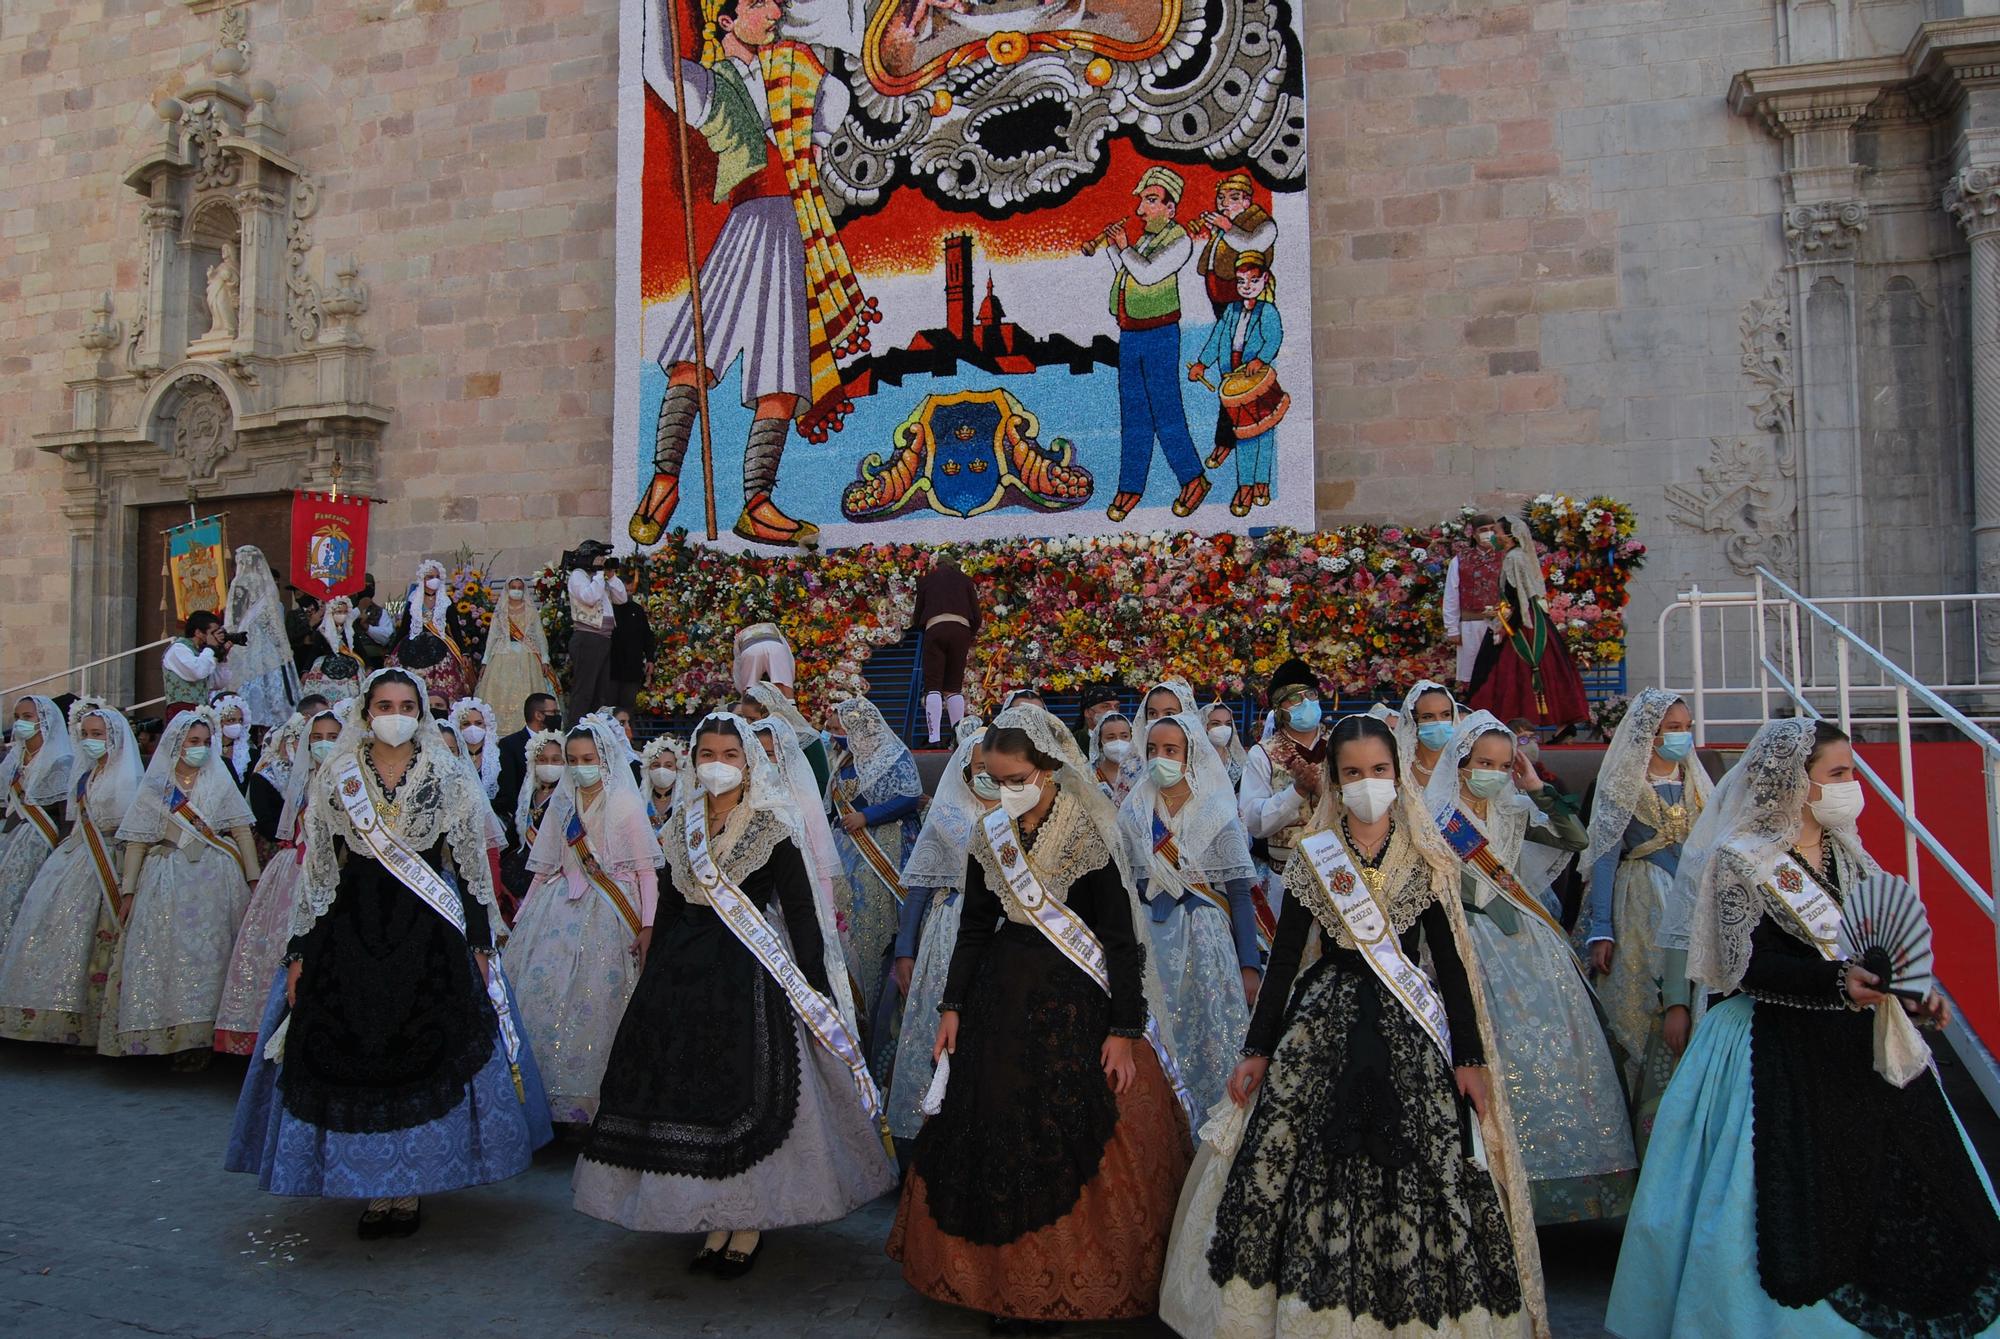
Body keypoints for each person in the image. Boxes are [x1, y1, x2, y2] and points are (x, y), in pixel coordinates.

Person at [1607, 718, 2000, 1339]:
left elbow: (1874, 946)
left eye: (1851, 773)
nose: (1851, 786)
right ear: (1796, 783)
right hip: (1774, 1041)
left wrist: (1911, 994)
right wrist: (1836, 984)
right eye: (1837, 775)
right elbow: (1743, 969)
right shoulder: (1740, 859)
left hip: (1864, 1044)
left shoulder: (1848, 851)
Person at [1158, 713, 1544, 1339]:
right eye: (1353, 774)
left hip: (1409, 1032)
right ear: (1335, 782)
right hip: (1321, 1027)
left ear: (1398, 773)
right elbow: (1284, 959)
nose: (1369, 783)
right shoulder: (1315, 857)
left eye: (1380, 770)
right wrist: (1257, 1048)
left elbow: (1448, 967)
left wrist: (1468, 1058)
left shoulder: (1429, 857)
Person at [887, 706, 1193, 1327]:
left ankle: (1062, 1281)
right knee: (992, 1128)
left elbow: (1117, 940)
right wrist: (951, 1007)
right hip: (1001, 993)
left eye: (1016, 777)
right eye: (995, 781)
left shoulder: (1088, 832)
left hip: (1077, 1002)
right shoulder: (989, 834)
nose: (1005, 791)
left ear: (1049, 769)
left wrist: (1124, 1031)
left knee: (1069, 1130)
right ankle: (998, 1282)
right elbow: (973, 929)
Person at [225, 669, 553, 1237]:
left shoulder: (447, 775)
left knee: (426, 1046)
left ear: (420, 711)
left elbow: (471, 866)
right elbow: (320, 872)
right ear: (366, 711)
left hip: (428, 928)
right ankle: (373, 1186)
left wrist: (479, 942)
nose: (394, 713)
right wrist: (300, 950)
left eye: (405, 704)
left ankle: (411, 1187)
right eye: (384, 704)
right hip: (353, 924)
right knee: (357, 1047)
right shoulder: (337, 775)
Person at [573, 713, 896, 1272]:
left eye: (730, 754)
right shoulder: (680, 827)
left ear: (748, 763)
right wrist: (654, 978)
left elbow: (799, 914)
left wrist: (814, 986)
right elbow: (672, 905)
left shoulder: (771, 827)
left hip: (749, 972)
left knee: (747, 1091)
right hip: (683, 973)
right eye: (708, 755)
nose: (718, 765)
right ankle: (708, 1214)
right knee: (687, 1094)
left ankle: (746, 1222)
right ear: (695, 762)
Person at [631, 0, 879, 549]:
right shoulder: (712, 85)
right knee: (694, 355)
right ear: (726, 18)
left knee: (783, 377)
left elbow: (833, 101)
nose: (774, 12)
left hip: (793, 228)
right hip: (747, 224)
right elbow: (659, 71)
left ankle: (758, 502)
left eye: (777, 5)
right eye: (760, 3)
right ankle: (665, 481)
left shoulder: (799, 71)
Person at [1424, 710, 1635, 1223]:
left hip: (1525, 946)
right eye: (1483, 763)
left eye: (1501, 763)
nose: (1492, 772)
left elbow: (1575, 839)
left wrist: (1536, 785)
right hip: (1464, 941)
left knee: (1553, 1052)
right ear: (1461, 763)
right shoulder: (1434, 817)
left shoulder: (1515, 810)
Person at [508, 714, 661, 1124]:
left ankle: (596, 1105)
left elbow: (647, 871)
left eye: (587, 758)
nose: (579, 767)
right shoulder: (563, 802)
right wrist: (521, 919)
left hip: (612, 910)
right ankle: (543, 1104)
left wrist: (648, 925)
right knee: (544, 994)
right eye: (573, 760)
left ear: (605, 758)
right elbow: (543, 870)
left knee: (599, 1001)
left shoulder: (625, 803)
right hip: (558, 907)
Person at [1581, 689, 1709, 1155]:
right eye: (1671, 728)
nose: (1681, 736)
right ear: (1648, 734)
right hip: (1639, 901)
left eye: (1685, 727)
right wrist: (1601, 927)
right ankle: (1641, 1132)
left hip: (1691, 903)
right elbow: (1602, 856)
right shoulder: (1621, 784)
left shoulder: (1696, 782)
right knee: (1638, 1010)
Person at [1119, 711, 1262, 1118]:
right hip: (1148, 939)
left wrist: (1248, 965)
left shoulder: (1216, 810)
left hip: (1205, 938)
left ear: (1190, 755)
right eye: (1152, 749)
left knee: (1209, 1039)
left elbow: (1238, 894)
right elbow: (1125, 884)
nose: (1159, 758)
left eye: (1170, 750)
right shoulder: (1133, 810)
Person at [99, 706, 259, 1063]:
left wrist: (253, 880)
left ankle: (206, 1040)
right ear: (177, 743)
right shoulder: (156, 786)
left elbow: (241, 831)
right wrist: (128, 891)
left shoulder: (219, 779)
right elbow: (138, 841)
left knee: (215, 955)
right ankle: (167, 1036)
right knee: (166, 954)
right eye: (192, 741)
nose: (199, 748)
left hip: (217, 878)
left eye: (204, 741)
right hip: (166, 875)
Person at [0, 699, 141, 1046]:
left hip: (112, 858)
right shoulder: (83, 775)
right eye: (87, 734)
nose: (91, 740)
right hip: (77, 856)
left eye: (98, 734)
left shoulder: (130, 777)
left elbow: (133, 828)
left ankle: (92, 1025)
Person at [886, 728, 993, 1146]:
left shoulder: (1020, 816)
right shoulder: (946, 815)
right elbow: (919, 888)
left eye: (993, 768)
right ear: (965, 771)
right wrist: (904, 950)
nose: (986, 775)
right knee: (938, 1025)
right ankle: (927, 1135)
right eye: (978, 768)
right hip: (947, 931)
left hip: (1000, 934)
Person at [215, 711, 337, 1057]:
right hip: (293, 872)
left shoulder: (352, 780)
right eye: (317, 736)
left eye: (332, 735)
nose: (323, 743)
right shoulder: (298, 781)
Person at [1096, 165, 1210, 523]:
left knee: (1166, 410)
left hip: (1160, 334)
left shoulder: (1179, 241)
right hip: (1130, 334)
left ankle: (1193, 479)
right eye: (1142, 202)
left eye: (1151, 201)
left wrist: (1125, 246)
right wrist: (1116, 249)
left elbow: (1146, 274)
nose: (1141, 210)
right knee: (1133, 414)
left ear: (1171, 208)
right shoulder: (1144, 240)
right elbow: (1126, 272)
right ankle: (1131, 485)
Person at [825, 696, 924, 1075]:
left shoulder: (893, 756)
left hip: (884, 851)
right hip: (846, 853)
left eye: (840, 727)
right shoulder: (845, 759)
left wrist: (867, 816)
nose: (836, 734)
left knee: (874, 931)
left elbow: (910, 797)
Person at [1467, 516, 1589, 730]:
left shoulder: (1514, 558)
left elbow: (1517, 598)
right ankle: (1561, 724)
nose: (1493, 536)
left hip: (1522, 620)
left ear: (1510, 536)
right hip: (1530, 615)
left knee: (1506, 669)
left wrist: (1507, 629)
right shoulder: (1516, 556)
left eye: (1497, 531)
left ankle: (1515, 722)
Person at [1188, 251, 1283, 515]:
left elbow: (1274, 338)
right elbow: (1218, 338)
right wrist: (1202, 364)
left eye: (1252, 281)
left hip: (1256, 380)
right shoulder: (1231, 311)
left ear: (1264, 279)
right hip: (1233, 380)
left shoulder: (1268, 311)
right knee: (1243, 435)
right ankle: (1244, 486)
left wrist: (1261, 359)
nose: (1246, 287)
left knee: (1265, 433)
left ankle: (1262, 483)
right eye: (1241, 282)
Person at [1238, 658, 1325, 887]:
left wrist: (1321, 789)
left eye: (1311, 695)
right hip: (1286, 878)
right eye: (1295, 698)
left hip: (1339, 870)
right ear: (1279, 708)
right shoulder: (1263, 754)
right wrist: (1296, 792)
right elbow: (1253, 820)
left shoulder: (1340, 744)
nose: (1305, 703)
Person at [0, 694, 75, 954]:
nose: (21, 722)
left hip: (41, 845)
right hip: (9, 842)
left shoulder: (62, 761)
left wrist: (60, 856)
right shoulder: (13, 761)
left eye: (28, 717)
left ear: (44, 720)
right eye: (18, 717)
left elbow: (67, 815)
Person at [223, 545, 302, 728]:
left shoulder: (238, 583)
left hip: (244, 641)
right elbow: (273, 624)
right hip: (266, 646)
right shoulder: (267, 587)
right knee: (271, 687)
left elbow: (231, 619)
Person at [390, 560, 478, 709]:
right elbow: (404, 628)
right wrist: (390, 652)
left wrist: (463, 652)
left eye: (437, 576)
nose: (434, 580)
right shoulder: (413, 600)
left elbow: (455, 629)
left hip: (442, 648)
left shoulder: (445, 601)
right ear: (422, 579)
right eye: (430, 577)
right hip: (412, 649)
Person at [914, 554, 981, 745]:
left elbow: (918, 614)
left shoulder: (926, 580)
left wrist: (925, 629)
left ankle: (933, 737)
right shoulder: (965, 581)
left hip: (935, 629)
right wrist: (969, 633)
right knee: (953, 687)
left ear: (937, 565)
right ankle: (958, 738)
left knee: (933, 686)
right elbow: (976, 614)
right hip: (961, 630)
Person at [476, 577, 562, 727]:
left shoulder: (530, 611)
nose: (516, 590)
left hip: (528, 656)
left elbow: (540, 636)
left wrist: (545, 659)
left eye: (519, 587)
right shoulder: (501, 611)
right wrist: (485, 661)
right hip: (502, 655)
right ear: (508, 589)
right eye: (513, 587)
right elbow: (492, 637)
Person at [501, 729, 567, 922]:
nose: (549, 765)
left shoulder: (568, 799)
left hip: (555, 878)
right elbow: (513, 838)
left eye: (556, 760)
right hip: (520, 874)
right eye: (542, 759)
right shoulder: (528, 796)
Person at [737, 680, 831, 799]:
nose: (748, 725)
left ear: (771, 714)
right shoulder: (749, 737)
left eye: (752, 719)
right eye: (745, 719)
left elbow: (821, 783)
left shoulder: (807, 739)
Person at [565, 542, 626, 719]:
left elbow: (621, 599)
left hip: (603, 638)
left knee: (600, 690)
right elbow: (589, 598)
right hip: (587, 637)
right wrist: (599, 574)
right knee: (585, 689)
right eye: (599, 558)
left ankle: (594, 728)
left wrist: (611, 576)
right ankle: (576, 729)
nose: (602, 561)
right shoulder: (578, 576)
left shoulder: (598, 577)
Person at [1443, 515, 1503, 691]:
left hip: (1501, 624)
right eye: (1483, 530)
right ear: (1474, 535)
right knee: (1474, 673)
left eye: (1492, 529)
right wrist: (1452, 628)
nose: (1488, 534)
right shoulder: (1460, 560)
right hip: (1470, 624)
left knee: (1499, 671)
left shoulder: (1505, 556)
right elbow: (1451, 594)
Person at [495, 692, 561, 842]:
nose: (557, 716)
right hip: (525, 821)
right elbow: (509, 788)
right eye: (554, 712)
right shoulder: (510, 744)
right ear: (538, 715)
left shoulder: (561, 741)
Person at [161, 611, 236, 723]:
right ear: (198, 633)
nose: (217, 637)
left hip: (202, 711)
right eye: (213, 632)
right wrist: (211, 648)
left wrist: (221, 656)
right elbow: (197, 672)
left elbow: (218, 683)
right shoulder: (178, 649)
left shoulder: (203, 654)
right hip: (182, 711)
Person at [1394, 678, 1460, 792]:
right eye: (1428, 717)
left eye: (1445, 714)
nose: (1439, 722)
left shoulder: (1463, 764)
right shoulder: (1400, 765)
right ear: (1413, 721)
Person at [299, 596, 366, 706]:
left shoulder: (350, 630)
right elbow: (314, 651)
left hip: (351, 664)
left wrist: (368, 667)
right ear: (331, 612)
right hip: (325, 664)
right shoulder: (323, 630)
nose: (342, 615)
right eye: (339, 612)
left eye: (344, 612)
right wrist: (306, 670)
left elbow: (360, 649)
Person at [608, 566, 655, 717]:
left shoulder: (637, 609)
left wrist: (650, 658)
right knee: (610, 707)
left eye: (630, 592)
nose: (627, 595)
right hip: (611, 669)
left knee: (628, 707)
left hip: (632, 669)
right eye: (624, 591)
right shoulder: (607, 609)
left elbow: (647, 635)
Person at [448, 697, 502, 801]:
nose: (473, 728)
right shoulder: (451, 756)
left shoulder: (499, 756)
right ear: (458, 727)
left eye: (478, 723)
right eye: (466, 724)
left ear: (486, 725)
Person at [732, 622, 796, 695]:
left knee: (750, 687)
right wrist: (789, 678)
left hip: (750, 649)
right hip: (775, 645)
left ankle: (749, 702)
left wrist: (741, 689)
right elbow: (787, 651)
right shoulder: (772, 626)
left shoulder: (740, 635)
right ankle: (790, 702)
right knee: (782, 681)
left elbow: (738, 663)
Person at [1089, 710, 1138, 804]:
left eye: (1124, 736)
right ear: (1100, 741)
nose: (1118, 742)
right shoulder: (1089, 775)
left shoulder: (1140, 773)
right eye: (1111, 737)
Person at [1073, 683, 1126, 759]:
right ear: (1088, 712)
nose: (1113, 711)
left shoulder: (1127, 739)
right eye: (1105, 706)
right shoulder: (1074, 741)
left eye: (1117, 706)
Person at [1204, 701, 1248, 787]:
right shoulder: (1195, 759)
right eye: (1216, 724)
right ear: (1205, 726)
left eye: (1228, 724)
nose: (1223, 728)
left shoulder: (1238, 759)